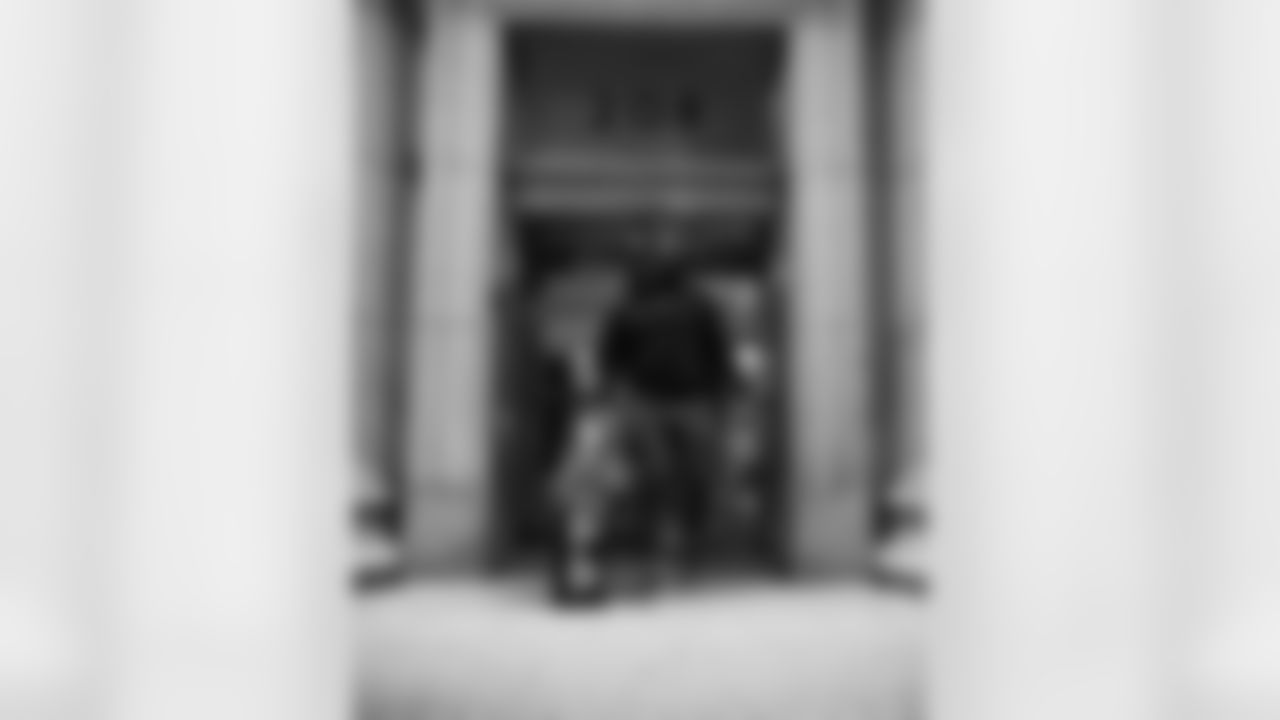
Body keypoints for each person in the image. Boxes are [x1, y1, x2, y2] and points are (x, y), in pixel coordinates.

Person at [599, 229, 737, 573]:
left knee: (686, 475)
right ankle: (659, 540)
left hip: (683, 400)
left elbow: (717, 353)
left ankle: (684, 539)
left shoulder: (695, 307)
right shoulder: (634, 307)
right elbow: (612, 357)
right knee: (659, 474)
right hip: (658, 400)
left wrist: (722, 392)